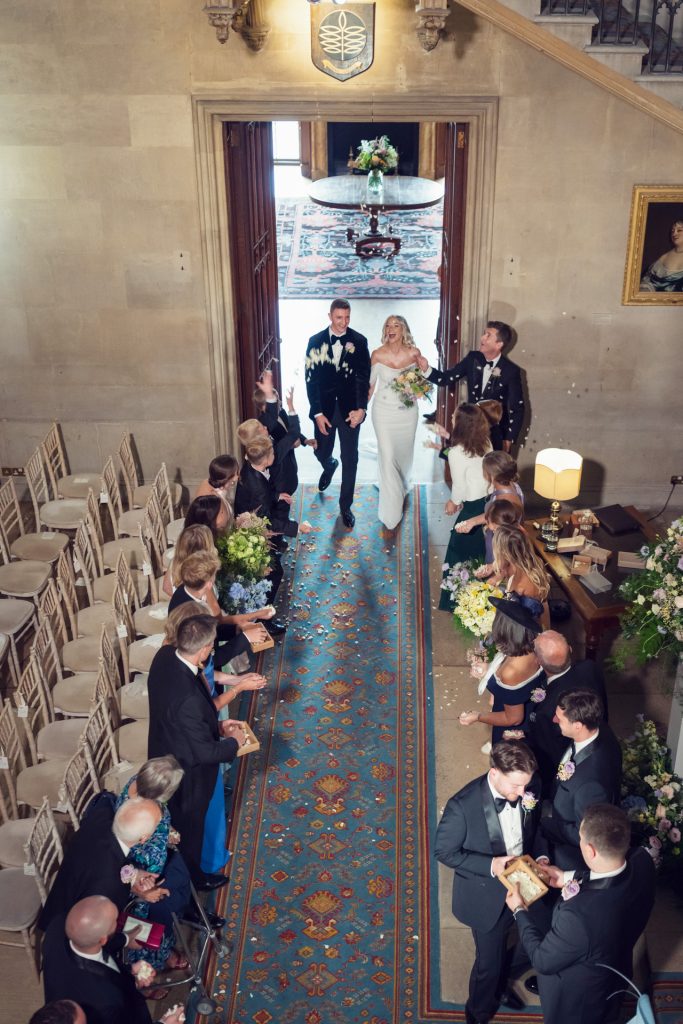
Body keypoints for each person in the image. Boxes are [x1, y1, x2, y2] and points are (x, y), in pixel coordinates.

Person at [507, 804, 656, 1024]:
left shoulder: (578, 917)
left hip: (577, 998)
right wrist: (566, 877)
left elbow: (542, 960)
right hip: (613, 967)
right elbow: (612, 876)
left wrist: (519, 910)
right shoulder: (643, 860)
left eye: (580, 838)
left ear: (590, 850)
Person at [434, 741, 543, 1024]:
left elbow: (536, 827)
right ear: (494, 773)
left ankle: (501, 984)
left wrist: (540, 858)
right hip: (486, 897)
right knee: (488, 964)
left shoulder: (526, 787)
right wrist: (490, 866)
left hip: (524, 882)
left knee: (534, 936)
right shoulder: (462, 806)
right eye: (516, 786)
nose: (522, 794)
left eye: (525, 786)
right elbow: (443, 851)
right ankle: (479, 1011)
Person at [147, 614, 247, 888]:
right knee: (190, 831)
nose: (211, 650)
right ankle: (192, 886)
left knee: (186, 829)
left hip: (166, 745)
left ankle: (191, 876)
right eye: (211, 646)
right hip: (185, 773)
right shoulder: (188, 699)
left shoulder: (165, 656)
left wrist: (216, 725)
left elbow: (182, 719)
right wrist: (235, 742)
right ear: (203, 650)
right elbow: (206, 754)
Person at [42, 895, 186, 1024]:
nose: (119, 922)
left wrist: (130, 971)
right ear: (103, 939)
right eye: (115, 922)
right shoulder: (106, 1002)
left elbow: (97, 950)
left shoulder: (59, 924)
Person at [39, 798, 164, 933]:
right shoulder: (110, 888)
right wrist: (126, 940)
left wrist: (134, 875)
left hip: (65, 893)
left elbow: (107, 855)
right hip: (71, 931)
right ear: (144, 838)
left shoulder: (100, 818)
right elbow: (100, 934)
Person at [114, 757, 191, 975]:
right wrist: (139, 884)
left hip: (159, 866)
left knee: (181, 883)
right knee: (149, 929)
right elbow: (119, 862)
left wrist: (169, 831)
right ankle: (147, 972)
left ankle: (165, 951)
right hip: (142, 887)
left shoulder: (141, 786)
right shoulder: (131, 815)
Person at [304, 297, 371, 529]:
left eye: (347, 317)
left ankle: (346, 506)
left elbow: (363, 378)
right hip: (324, 410)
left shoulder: (359, 342)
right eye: (339, 317)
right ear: (330, 316)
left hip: (350, 410)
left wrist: (361, 409)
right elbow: (310, 380)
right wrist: (317, 413)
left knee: (350, 457)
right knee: (321, 450)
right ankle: (328, 464)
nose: (343, 323)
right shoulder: (315, 341)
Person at [540, 689, 622, 871]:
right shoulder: (600, 729)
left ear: (578, 725)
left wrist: (545, 821)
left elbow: (584, 832)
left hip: (566, 849)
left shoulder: (591, 785)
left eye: (560, 719)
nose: (554, 720)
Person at [417, 321, 524, 451]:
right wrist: (427, 369)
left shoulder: (511, 370)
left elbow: (517, 409)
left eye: (488, 335)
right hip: (469, 430)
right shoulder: (473, 358)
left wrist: (508, 440)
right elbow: (446, 378)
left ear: (499, 344)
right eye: (484, 333)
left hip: (495, 436)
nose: (482, 338)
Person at [527, 631, 608, 794]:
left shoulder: (547, 711)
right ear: (570, 649)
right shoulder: (589, 667)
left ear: (539, 662)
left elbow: (548, 753)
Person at [459, 597, 543, 747]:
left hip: (512, 727)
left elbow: (513, 718)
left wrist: (478, 716)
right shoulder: (533, 643)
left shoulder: (510, 672)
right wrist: (489, 669)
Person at [368, 315, 425, 530]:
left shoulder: (414, 353)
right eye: (388, 325)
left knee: (403, 455)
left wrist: (413, 390)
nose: (391, 328)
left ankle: (401, 485)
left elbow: (420, 389)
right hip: (382, 413)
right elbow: (370, 386)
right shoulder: (377, 354)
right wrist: (359, 409)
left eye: (396, 325)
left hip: (407, 414)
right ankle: (390, 512)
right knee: (388, 455)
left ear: (403, 330)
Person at [437, 403, 491, 610]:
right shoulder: (485, 442)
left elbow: (459, 485)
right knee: (481, 550)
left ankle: (457, 602)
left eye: (454, 416)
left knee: (458, 552)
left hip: (472, 508)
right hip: (490, 503)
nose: (451, 417)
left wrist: (453, 503)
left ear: (461, 424)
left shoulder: (456, 453)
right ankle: (479, 594)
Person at [456, 451, 524, 567]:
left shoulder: (504, 498)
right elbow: (494, 515)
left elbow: (497, 520)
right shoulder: (512, 484)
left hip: (500, 547)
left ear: (490, 476)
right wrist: (472, 521)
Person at [492, 524, 550, 627]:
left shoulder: (521, 587)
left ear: (504, 553)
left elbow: (517, 624)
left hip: (525, 627)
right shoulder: (533, 561)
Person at [640, 218, 683, 291]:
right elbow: (648, 281)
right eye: (672, 231)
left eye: (679, 230)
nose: (674, 233)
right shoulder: (664, 257)